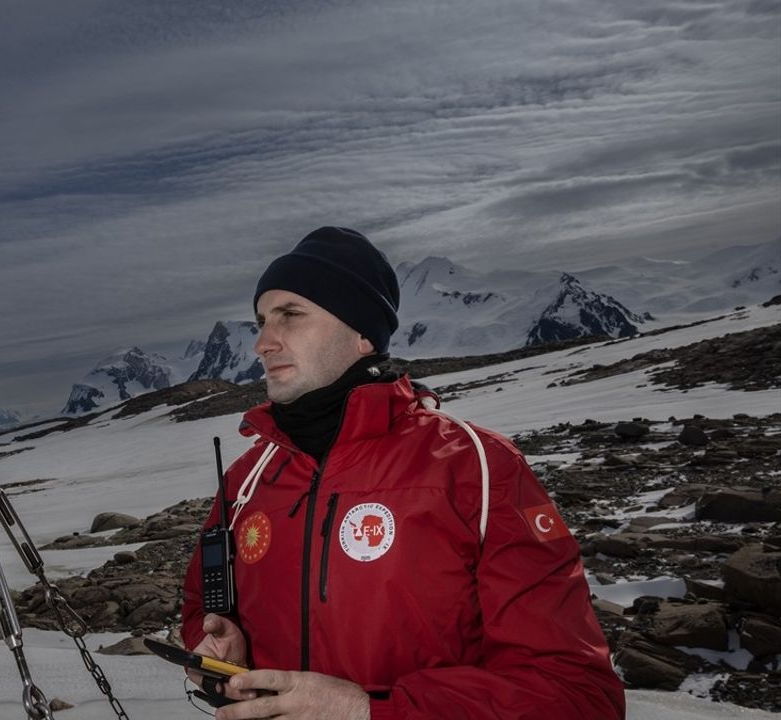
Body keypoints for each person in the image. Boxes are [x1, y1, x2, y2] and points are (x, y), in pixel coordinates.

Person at [180, 227, 624, 719]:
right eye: (262, 321)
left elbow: (578, 697)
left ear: (362, 334)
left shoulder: (478, 467)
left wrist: (368, 712)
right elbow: (201, 603)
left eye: (290, 315)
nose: (262, 343)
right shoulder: (248, 477)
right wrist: (220, 648)